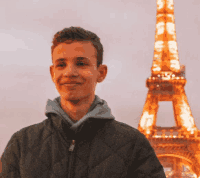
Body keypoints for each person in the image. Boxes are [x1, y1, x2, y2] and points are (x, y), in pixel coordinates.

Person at [0, 27, 166, 178]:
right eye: (61, 64)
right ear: (52, 73)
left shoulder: (134, 145)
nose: (69, 72)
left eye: (81, 63)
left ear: (101, 73)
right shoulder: (21, 144)